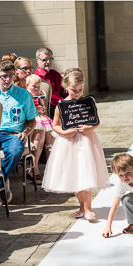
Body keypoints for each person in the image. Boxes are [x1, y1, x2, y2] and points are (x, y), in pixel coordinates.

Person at [41, 68, 110, 221]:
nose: (77, 93)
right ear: (66, 87)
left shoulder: (88, 102)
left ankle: (88, 209)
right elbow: (55, 125)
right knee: (75, 175)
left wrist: (89, 128)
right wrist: (65, 133)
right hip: (68, 143)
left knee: (86, 173)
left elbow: (96, 121)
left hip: (86, 141)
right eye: (73, 90)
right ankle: (81, 207)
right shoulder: (61, 105)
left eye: (80, 89)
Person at [0, 60, 37, 200]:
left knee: (14, 152)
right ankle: (1, 183)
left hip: (14, 134)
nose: (7, 79)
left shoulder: (23, 95)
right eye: (3, 76)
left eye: (11, 75)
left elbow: (32, 120)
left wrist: (26, 132)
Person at [26, 74, 53, 185]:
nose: (37, 89)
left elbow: (42, 106)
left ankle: (37, 168)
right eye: (34, 86)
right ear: (27, 85)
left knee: (45, 131)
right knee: (39, 128)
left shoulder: (40, 94)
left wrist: (42, 107)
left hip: (39, 118)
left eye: (38, 86)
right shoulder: (25, 94)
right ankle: (34, 168)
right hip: (28, 119)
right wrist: (36, 109)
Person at [34, 47, 68, 118]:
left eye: (51, 59)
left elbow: (64, 89)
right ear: (38, 60)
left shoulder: (55, 73)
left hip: (61, 105)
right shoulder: (37, 78)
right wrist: (65, 102)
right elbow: (50, 96)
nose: (48, 62)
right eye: (45, 60)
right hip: (49, 108)